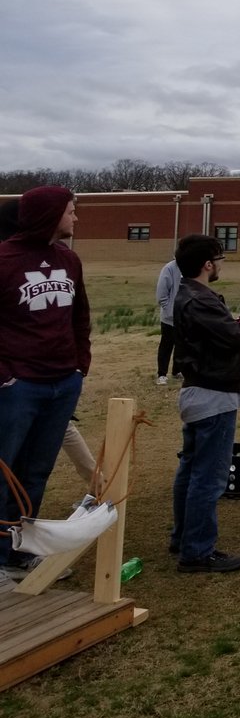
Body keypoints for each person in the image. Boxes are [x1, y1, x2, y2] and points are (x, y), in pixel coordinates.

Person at [169, 234, 240, 574]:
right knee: (209, 478)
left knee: (190, 470)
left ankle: (183, 538)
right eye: (220, 260)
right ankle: (197, 552)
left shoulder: (190, 294)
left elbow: (224, 335)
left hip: (201, 392)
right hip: (212, 396)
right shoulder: (200, 300)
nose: (221, 266)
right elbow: (234, 337)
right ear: (207, 265)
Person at [0, 186, 91, 581]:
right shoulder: (4, 259)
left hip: (62, 383)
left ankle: (19, 552)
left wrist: (79, 366)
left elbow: (80, 317)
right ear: (50, 215)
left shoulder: (69, 260)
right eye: (70, 211)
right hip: (17, 387)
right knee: (4, 472)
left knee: (36, 472)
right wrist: (6, 377)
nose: (75, 218)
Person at [155, 256, 183, 385]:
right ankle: (162, 374)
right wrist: (170, 311)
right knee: (166, 345)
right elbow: (161, 294)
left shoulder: (191, 267)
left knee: (181, 345)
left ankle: (177, 371)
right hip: (169, 318)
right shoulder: (169, 268)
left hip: (185, 316)